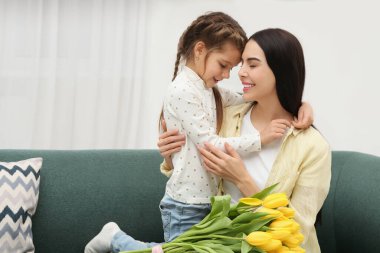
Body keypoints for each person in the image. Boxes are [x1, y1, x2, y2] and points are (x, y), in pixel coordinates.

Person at [85, 11, 313, 252]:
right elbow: (211, 145)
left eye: (232, 68)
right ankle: (116, 240)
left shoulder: (208, 89)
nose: (227, 75)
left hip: (207, 202)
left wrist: (300, 105)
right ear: (200, 49)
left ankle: (116, 239)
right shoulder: (183, 90)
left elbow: (246, 100)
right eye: (224, 65)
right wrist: (261, 139)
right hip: (186, 202)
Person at [158, 28, 331, 252]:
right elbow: (194, 177)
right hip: (217, 244)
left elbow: (297, 231)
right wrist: (171, 157)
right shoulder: (225, 115)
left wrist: (243, 180)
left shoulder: (312, 147)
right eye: (241, 64)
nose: (239, 73)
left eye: (253, 64)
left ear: (281, 71)